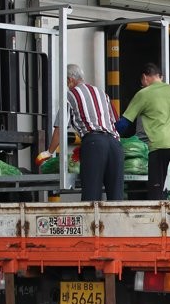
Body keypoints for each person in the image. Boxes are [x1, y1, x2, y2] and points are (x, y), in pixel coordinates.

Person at [41, 64, 125, 202]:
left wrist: (49, 152)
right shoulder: (101, 93)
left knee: (91, 195)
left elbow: (60, 128)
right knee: (116, 198)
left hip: (94, 143)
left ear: (70, 80)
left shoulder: (70, 95)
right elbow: (115, 121)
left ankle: (92, 223)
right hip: (115, 145)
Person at [116, 63, 170, 201]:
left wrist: (110, 133)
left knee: (156, 189)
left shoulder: (143, 94)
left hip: (160, 146)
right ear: (160, 76)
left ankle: (158, 221)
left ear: (144, 77)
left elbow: (124, 123)